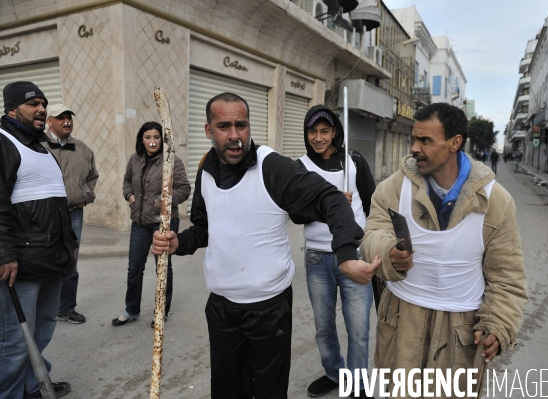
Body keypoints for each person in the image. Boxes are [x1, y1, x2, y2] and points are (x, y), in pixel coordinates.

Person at [151, 93, 380, 399]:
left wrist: (346, 255)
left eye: (241, 125)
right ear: (208, 131)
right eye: (224, 126)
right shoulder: (206, 167)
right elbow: (206, 228)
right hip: (221, 308)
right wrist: (179, 242)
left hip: (269, 309)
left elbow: (331, 199)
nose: (234, 136)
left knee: (270, 392)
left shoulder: (272, 167)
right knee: (227, 390)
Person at [360, 103, 528, 395]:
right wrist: (388, 252)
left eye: (425, 140)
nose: (414, 148)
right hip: (402, 323)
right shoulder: (393, 188)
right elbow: (372, 233)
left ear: (455, 143)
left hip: (460, 331)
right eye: (414, 138)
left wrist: (498, 324)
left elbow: (507, 278)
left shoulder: (495, 202)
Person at [0, 81, 77, 398]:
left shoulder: (41, 146)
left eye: (43, 103)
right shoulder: (4, 143)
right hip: (21, 264)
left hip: (51, 259)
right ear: (12, 110)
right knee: (15, 341)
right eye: (33, 104)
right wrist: (5, 253)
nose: (42, 109)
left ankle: (33, 386)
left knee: (43, 328)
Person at [297, 105, 376, 398]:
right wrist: (327, 202)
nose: (318, 138)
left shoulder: (354, 160)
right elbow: (296, 213)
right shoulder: (301, 166)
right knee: (323, 327)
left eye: (325, 131)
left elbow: (372, 204)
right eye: (313, 131)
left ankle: (358, 384)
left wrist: (370, 242)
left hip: (355, 255)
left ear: (335, 133)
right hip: (317, 256)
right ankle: (334, 373)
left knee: (359, 328)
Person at [112, 121, 190, 327]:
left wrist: (162, 201)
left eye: (156, 137)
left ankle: (161, 312)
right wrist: (130, 197)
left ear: (162, 140)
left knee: (162, 268)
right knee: (134, 267)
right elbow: (127, 181)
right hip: (139, 221)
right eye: (148, 137)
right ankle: (131, 310)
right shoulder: (135, 159)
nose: (152, 142)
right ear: (142, 139)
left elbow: (184, 188)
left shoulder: (172, 160)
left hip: (163, 222)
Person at [43, 103, 99, 325]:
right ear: (49, 122)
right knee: (44, 259)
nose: (67, 121)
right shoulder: (38, 146)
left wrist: (86, 196)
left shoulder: (83, 148)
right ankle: (44, 309)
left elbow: (92, 176)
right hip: (45, 215)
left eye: (69, 117)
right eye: (60, 117)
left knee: (70, 260)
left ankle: (66, 308)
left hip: (74, 213)